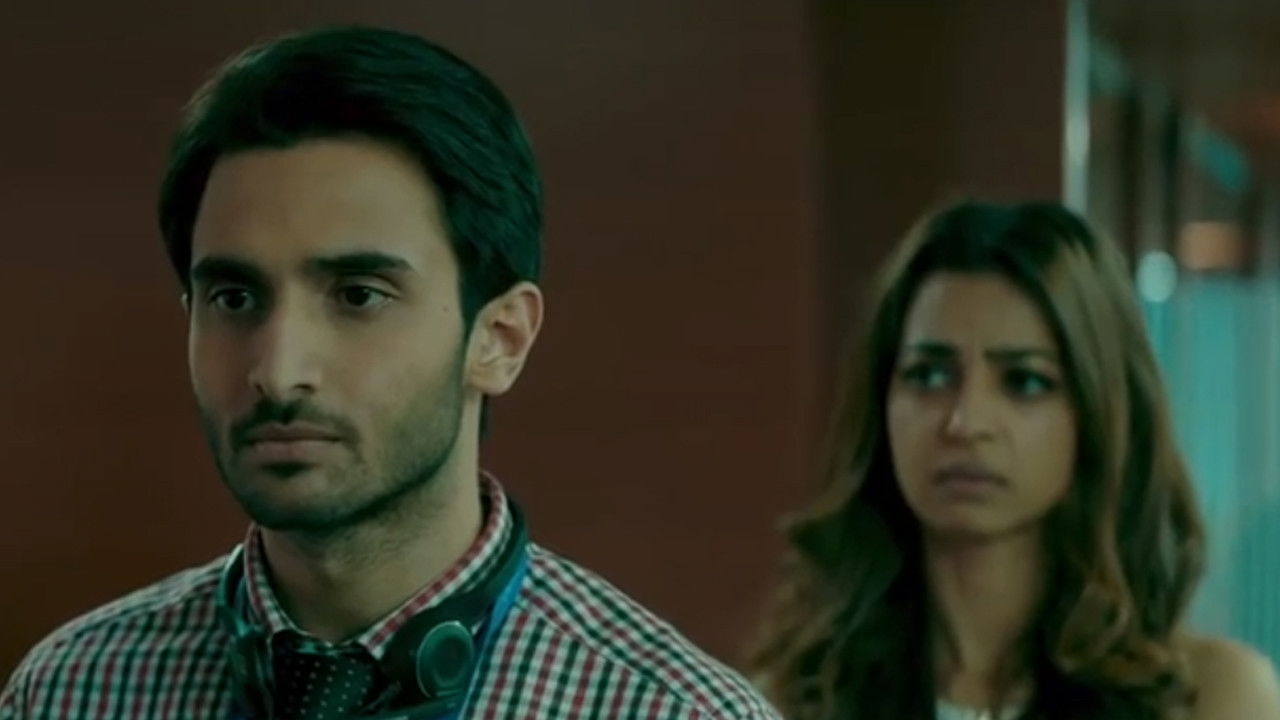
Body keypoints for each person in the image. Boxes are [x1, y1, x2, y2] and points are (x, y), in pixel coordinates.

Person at [0, 25, 778, 720]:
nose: (278, 371)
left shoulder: (673, 712)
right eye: (234, 297)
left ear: (500, 338)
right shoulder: (71, 691)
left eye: (358, 295)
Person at [748, 201, 1280, 720]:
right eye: (929, 375)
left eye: (1024, 381)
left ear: (1097, 412)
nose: (965, 422)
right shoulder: (794, 699)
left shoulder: (1210, 698)